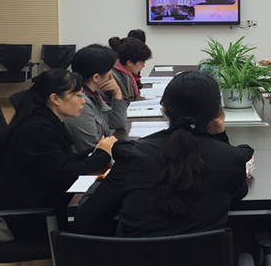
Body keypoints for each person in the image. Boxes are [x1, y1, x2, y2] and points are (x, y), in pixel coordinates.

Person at [76, 71, 254, 237]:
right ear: (217, 114)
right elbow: (238, 192)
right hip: (205, 255)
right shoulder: (229, 158)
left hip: (136, 256)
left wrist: (103, 179)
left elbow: (86, 219)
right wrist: (220, 137)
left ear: (166, 110)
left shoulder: (134, 155)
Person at [0, 69, 116, 240]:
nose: (83, 101)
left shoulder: (45, 120)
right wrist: (100, 155)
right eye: (78, 95)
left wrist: (94, 152)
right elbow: (64, 175)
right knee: (108, 221)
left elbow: (61, 162)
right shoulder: (37, 130)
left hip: (43, 203)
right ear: (55, 99)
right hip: (33, 218)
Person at [64, 44, 129, 154]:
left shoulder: (93, 94)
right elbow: (92, 148)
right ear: (96, 77)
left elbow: (117, 123)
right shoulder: (81, 103)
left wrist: (117, 94)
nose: (111, 74)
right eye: (109, 70)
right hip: (90, 161)